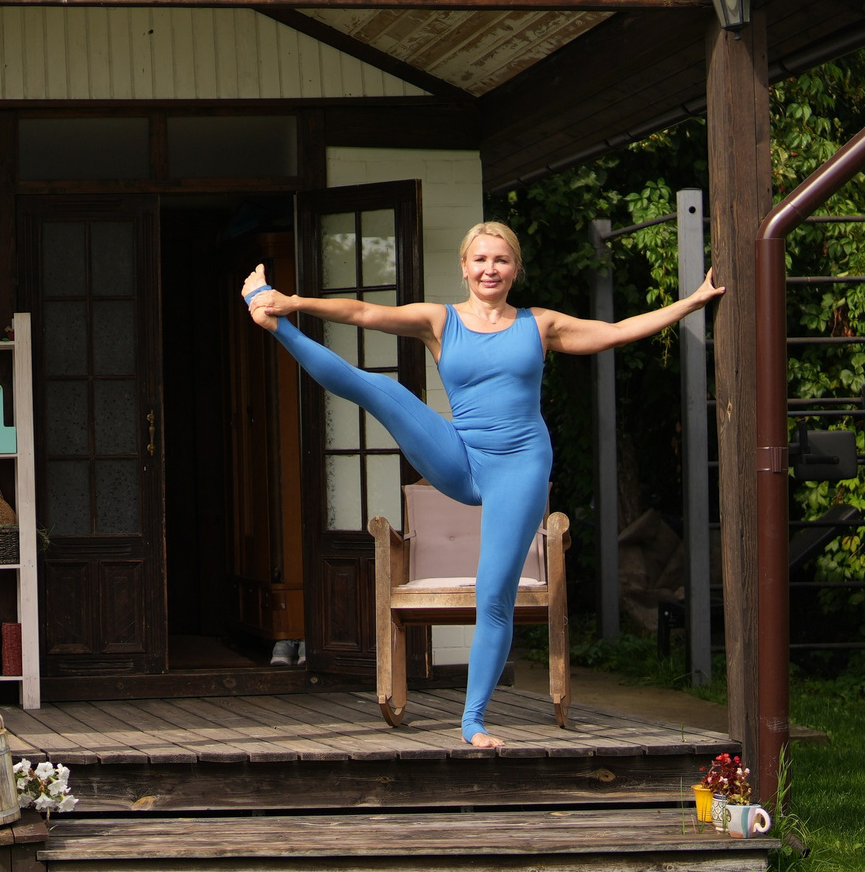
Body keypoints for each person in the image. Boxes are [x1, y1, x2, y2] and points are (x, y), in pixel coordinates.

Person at [241, 221, 722, 748]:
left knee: (494, 594)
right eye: (480, 260)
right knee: (377, 388)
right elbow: (361, 312)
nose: (490, 269)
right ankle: (274, 325)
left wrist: (691, 303)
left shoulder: (539, 325)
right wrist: (292, 304)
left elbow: (618, 330)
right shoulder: (438, 320)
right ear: (465, 268)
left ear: (516, 269)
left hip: (519, 466)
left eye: (501, 260)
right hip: (460, 455)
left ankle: (473, 721)